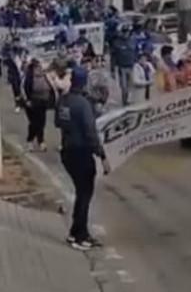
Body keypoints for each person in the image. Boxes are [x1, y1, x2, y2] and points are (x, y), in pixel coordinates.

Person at [57, 67, 109, 251]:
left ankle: (78, 232)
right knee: (84, 195)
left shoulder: (63, 100)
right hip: (81, 153)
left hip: (67, 151)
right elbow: (90, 133)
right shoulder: (83, 104)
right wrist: (102, 155)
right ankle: (79, 236)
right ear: (85, 82)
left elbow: (57, 122)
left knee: (82, 193)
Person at [22, 58, 55, 151]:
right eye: (37, 67)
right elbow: (23, 89)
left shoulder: (46, 76)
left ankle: (41, 141)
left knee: (41, 123)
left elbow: (52, 87)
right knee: (34, 123)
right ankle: (30, 140)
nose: (40, 68)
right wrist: (27, 100)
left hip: (43, 102)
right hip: (32, 102)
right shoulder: (28, 77)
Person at [110, 30, 136, 105]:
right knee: (124, 86)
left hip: (131, 66)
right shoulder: (116, 43)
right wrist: (112, 70)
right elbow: (113, 57)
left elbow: (135, 52)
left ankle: (129, 99)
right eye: (124, 32)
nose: (125, 33)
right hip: (122, 67)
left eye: (127, 32)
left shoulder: (132, 41)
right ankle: (124, 100)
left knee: (131, 85)